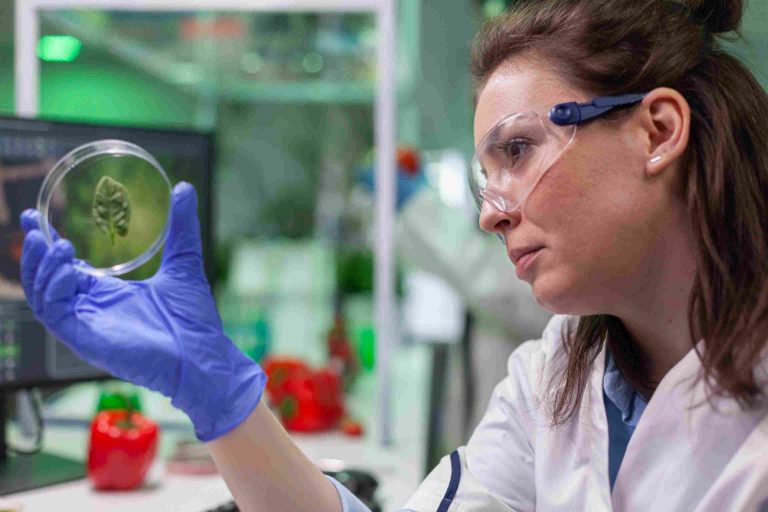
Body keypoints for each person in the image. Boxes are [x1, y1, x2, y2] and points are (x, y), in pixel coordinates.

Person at [19, 0, 768, 509]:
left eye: (518, 149)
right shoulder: (556, 379)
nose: (489, 211)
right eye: (486, 172)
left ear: (659, 130)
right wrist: (218, 397)